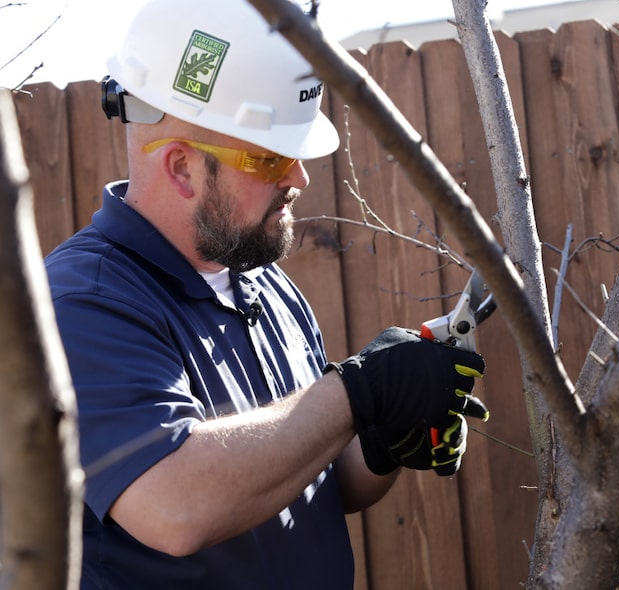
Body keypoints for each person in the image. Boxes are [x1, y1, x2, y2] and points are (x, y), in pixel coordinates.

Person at [44, 0, 488, 588]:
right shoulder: (84, 302)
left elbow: (316, 484)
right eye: (271, 156)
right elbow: (175, 505)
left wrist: (382, 441)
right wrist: (357, 392)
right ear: (181, 168)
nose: (299, 176)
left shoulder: (265, 284)